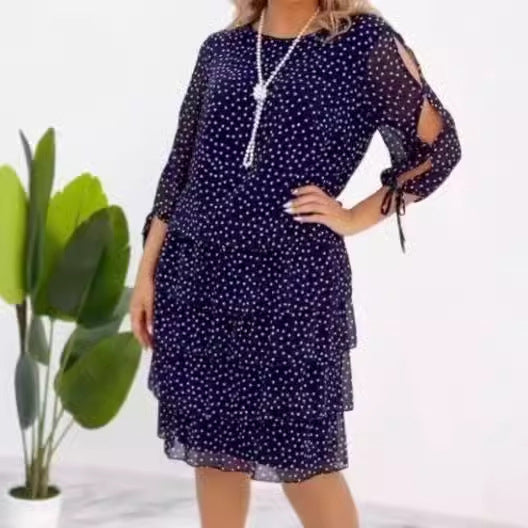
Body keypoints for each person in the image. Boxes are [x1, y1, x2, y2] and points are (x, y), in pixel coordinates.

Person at [130, 0, 462, 526]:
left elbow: (438, 149)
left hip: (292, 283)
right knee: (213, 451)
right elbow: (179, 170)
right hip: (196, 277)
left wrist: (353, 217)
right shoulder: (221, 49)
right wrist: (145, 273)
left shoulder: (363, 44)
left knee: (305, 462)